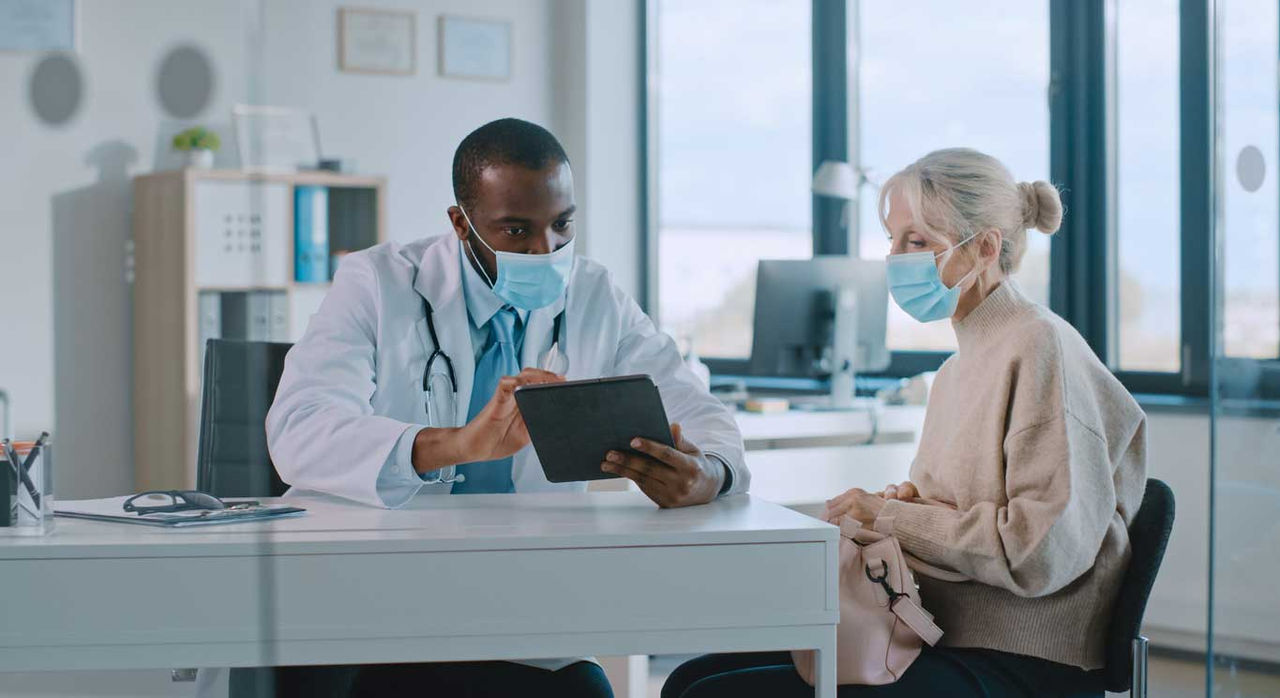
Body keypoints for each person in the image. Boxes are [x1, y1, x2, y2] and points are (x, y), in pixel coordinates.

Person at [266, 118, 750, 697]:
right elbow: (300, 429)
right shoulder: (377, 284)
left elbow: (700, 413)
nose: (544, 251)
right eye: (516, 230)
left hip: (518, 604)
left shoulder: (595, 296)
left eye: (562, 225)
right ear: (461, 224)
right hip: (375, 597)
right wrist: (458, 444)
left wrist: (709, 474)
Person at [663, 148, 1147, 698]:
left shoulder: (1039, 346)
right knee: (692, 678)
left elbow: (1038, 552)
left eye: (916, 242)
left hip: (1018, 658)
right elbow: (959, 512)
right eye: (892, 240)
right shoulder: (955, 370)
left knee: (709, 694)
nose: (894, 258)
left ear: (985, 247)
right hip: (936, 628)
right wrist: (902, 508)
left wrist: (897, 516)